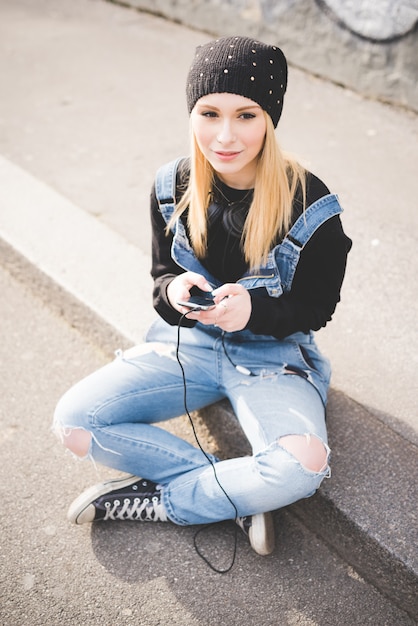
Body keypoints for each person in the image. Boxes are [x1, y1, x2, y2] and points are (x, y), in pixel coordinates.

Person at [53, 35, 351, 558]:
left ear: (270, 118)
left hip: (274, 360)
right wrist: (174, 291)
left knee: (302, 464)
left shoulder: (312, 205)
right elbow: (160, 277)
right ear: (192, 111)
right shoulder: (172, 185)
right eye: (209, 113)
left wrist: (254, 310)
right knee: (75, 423)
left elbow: (317, 308)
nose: (226, 135)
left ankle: (177, 500)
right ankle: (235, 492)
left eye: (247, 115)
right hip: (186, 346)